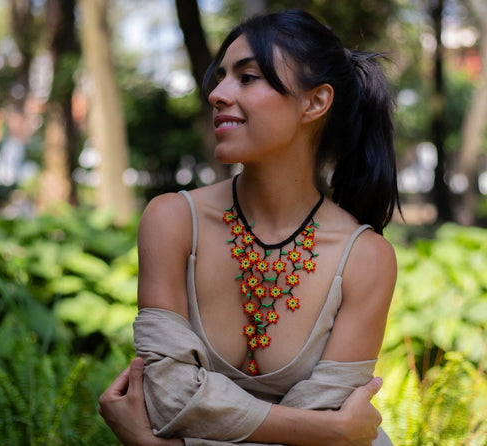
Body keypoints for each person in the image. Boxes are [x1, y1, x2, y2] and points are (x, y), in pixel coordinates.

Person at [99, 9, 399, 446]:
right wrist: (332, 430)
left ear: (315, 102)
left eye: (247, 77)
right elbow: (166, 397)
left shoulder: (365, 257)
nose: (217, 94)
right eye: (221, 77)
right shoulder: (173, 221)